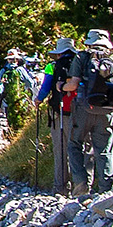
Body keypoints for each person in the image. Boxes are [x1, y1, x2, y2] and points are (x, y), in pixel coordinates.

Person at [64, 29, 113, 193]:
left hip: (84, 108)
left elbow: (73, 84)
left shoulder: (82, 57)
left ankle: (80, 183)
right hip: (107, 110)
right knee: (104, 149)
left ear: (89, 42)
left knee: (74, 144)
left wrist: (61, 86)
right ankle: (106, 189)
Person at [38, 36, 75, 192]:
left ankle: (60, 186)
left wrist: (38, 100)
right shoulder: (81, 63)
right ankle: (80, 185)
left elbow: (46, 87)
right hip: (80, 112)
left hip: (59, 112)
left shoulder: (53, 66)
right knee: (79, 148)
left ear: (59, 52)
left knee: (60, 149)